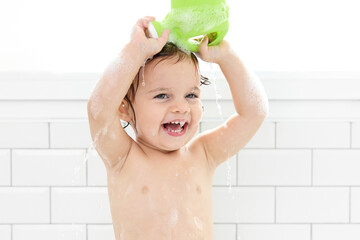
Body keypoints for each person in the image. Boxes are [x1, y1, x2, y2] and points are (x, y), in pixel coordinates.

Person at [87, 16, 269, 240]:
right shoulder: (124, 158)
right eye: (162, 95)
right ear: (124, 108)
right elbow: (99, 111)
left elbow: (254, 113)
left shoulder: (204, 154)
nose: (181, 107)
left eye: (191, 95)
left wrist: (226, 56)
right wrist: (135, 51)